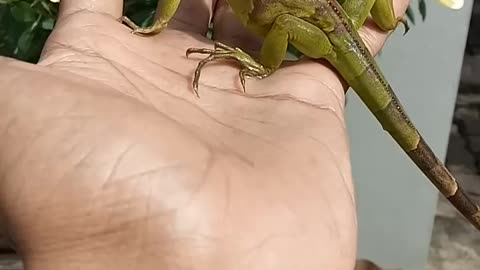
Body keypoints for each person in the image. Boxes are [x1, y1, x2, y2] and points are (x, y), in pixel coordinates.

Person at [0, 0, 408, 269]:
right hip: (340, 21)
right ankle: (389, 16)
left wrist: (263, 64)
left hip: (319, 32)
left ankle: (264, 65)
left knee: (284, 21)